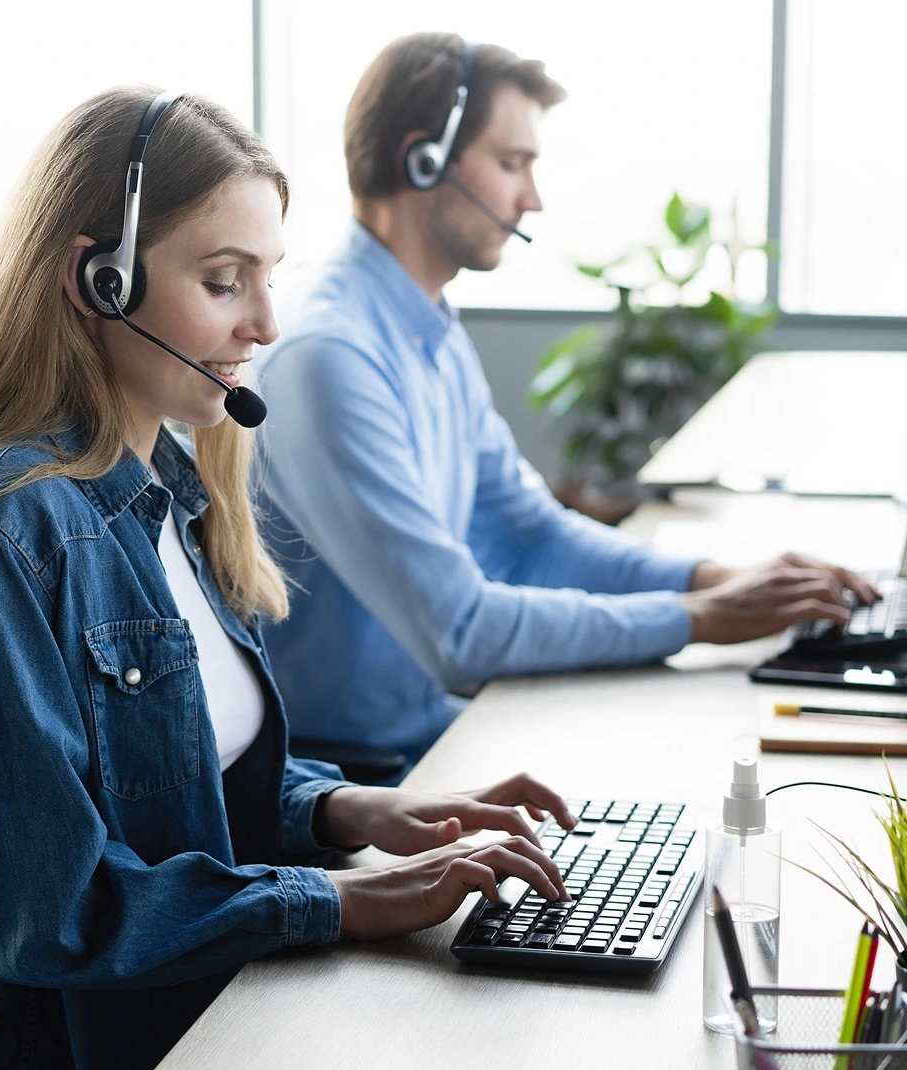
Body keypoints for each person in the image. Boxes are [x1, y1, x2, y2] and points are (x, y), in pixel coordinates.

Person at [0, 85, 575, 1070]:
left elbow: (168, 781)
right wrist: (343, 898)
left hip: (215, 1010)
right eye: (225, 281)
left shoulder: (172, 491)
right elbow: (38, 913)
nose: (266, 323)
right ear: (99, 281)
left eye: (268, 278)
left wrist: (352, 810)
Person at [256, 33, 878, 767]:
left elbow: (532, 535)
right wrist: (702, 617)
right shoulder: (330, 354)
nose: (532, 198)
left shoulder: (424, 326)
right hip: (346, 777)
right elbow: (458, 631)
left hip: (428, 733)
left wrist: (723, 580)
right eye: (511, 162)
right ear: (423, 159)